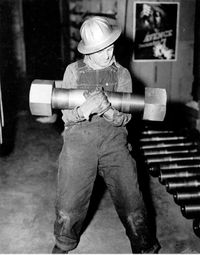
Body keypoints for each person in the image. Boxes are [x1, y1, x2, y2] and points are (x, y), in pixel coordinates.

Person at [52, 16, 160, 254]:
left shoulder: (121, 74)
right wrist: (83, 110)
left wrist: (108, 111)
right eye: (101, 50)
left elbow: (126, 119)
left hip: (114, 140)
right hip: (79, 141)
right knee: (69, 202)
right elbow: (66, 118)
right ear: (88, 51)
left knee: (132, 199)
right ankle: (63, 243)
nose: (109, 53)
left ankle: (144, 246)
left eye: (110, 46)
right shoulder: (73, 71)